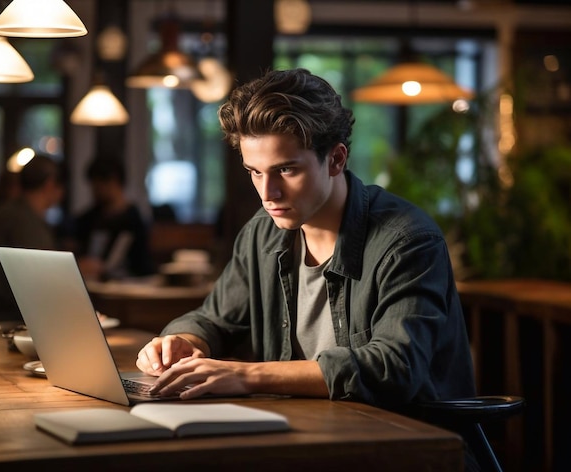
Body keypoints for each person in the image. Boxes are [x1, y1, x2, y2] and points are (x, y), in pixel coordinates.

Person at [136, 69, 475, 410]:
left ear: (336, 159)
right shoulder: (262, 232)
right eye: (255, 171)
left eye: (286, 170)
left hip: (409, 446)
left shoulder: (407, 241)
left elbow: (394, 367)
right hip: (304, 432)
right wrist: (182, 341)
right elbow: (215, 320)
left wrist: (248, 376)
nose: (268, 193)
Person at [0, 153, 64, 322]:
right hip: (10, 319)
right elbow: (39, 282)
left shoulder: (8, 213)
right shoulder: (24, 221)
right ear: (49, 185)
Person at [72, 156, 153, 281]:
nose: (94, 192)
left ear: (114, 182)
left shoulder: (134, 221)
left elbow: (142, 265)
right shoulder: (88, 219)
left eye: (98, 187)